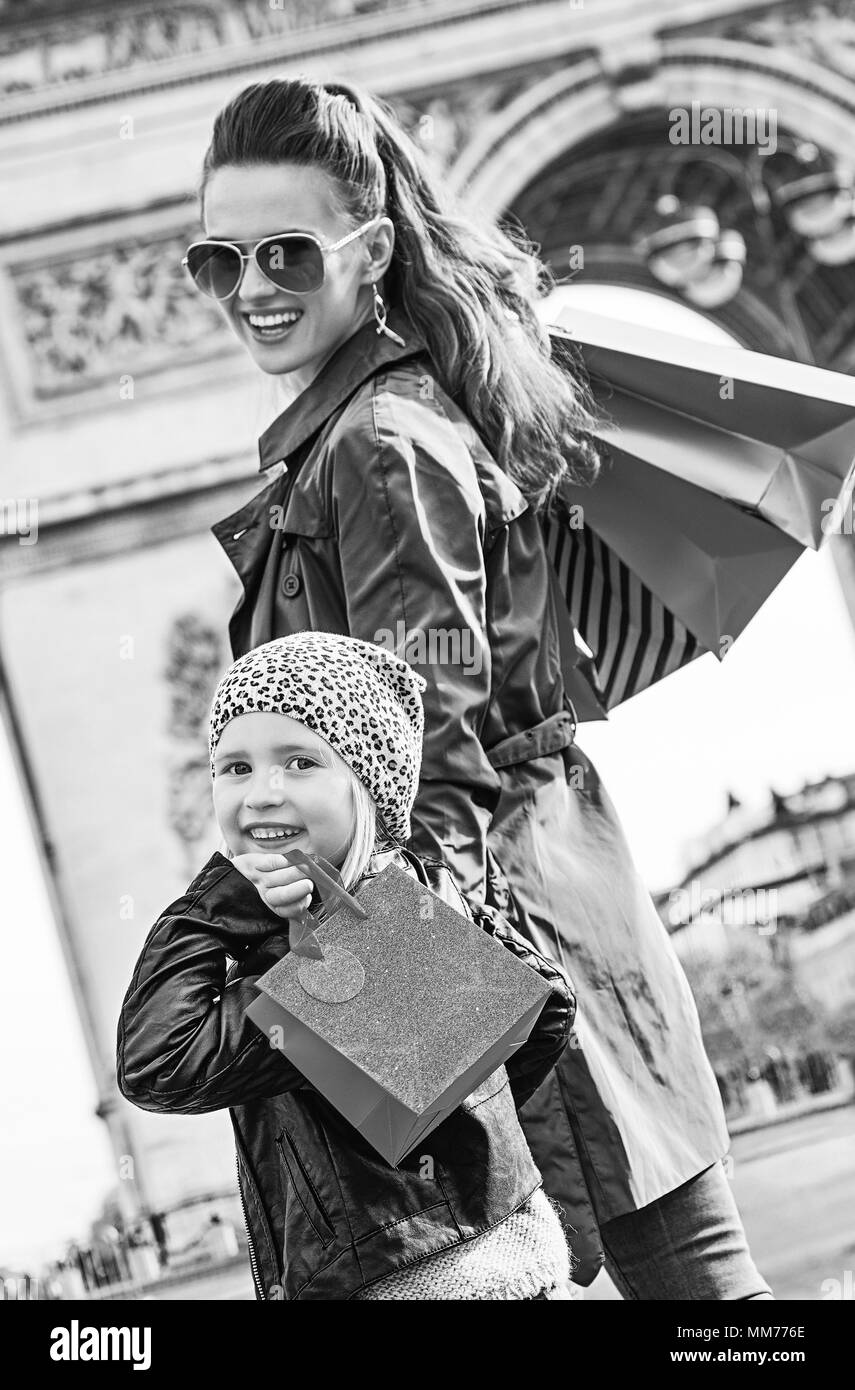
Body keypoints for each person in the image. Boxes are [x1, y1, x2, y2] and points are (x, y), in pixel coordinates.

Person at [185, 76, 772, 1298]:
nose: (252, 288)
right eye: (217, 260)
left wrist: (413, 1068)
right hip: (528, 942)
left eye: (285, 250)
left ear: (373, 250)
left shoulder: (380, 447)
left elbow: (426, 768)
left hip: (503, 965)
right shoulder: (365, 431)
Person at [116, 632, 578, 1300]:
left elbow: (157, 1063)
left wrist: (214, 906)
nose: (261, 794)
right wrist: (453, 1120)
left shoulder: (350, 945)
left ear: (367, 782)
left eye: (299, 762)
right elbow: (550, 1007)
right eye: (234, 767)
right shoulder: (416, 904)